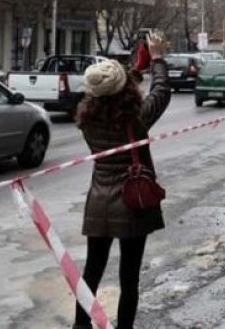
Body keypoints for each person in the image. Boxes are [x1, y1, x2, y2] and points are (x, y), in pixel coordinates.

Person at [73, 35, 172, 329]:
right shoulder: (136, 118)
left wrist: (136, 69)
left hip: (100, 201)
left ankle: (81, 324)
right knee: (129, 277)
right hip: (131, 202)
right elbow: (162, 92)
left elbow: (111, 91)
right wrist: (156, 59)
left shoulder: (87, 119)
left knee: (92, 270)